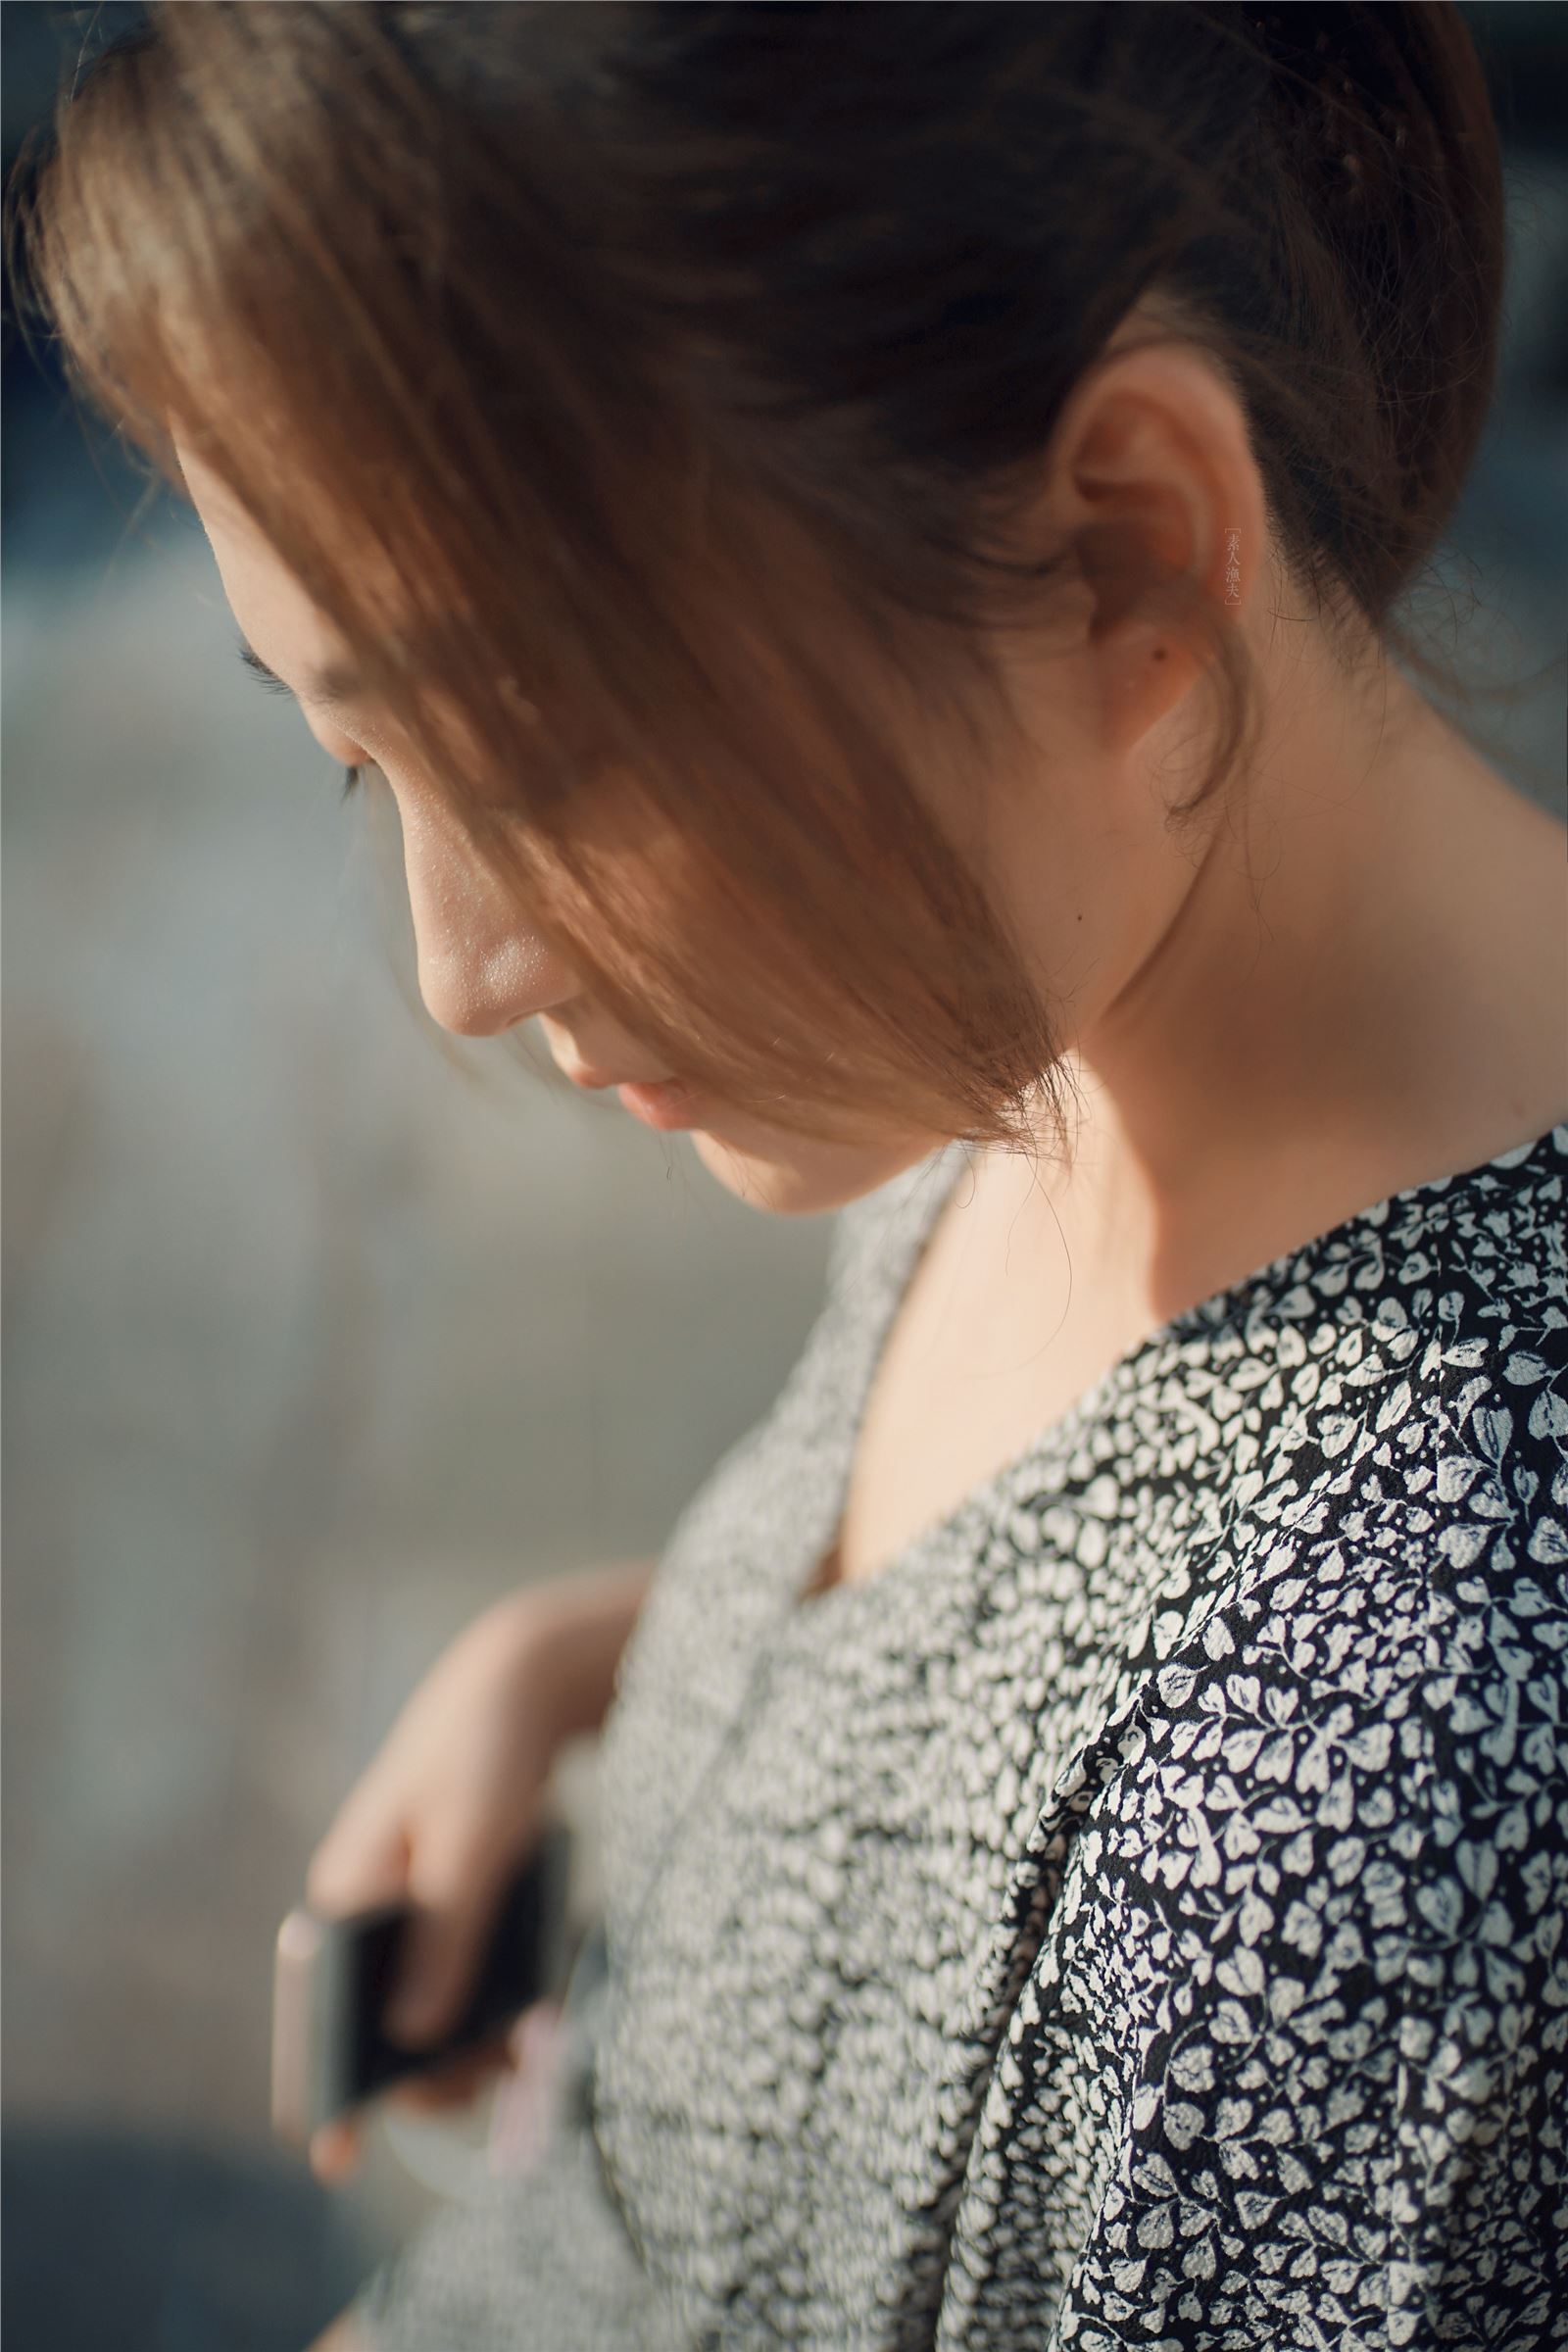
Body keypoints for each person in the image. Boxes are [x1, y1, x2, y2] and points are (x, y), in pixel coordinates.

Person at [13, 3, 1567, 2344]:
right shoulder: (1088, 1025)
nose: (457, 962)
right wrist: (627, 1660)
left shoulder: (1360, 1814)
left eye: (541, 746)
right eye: (363, 760)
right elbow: (1044, 1562)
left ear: (1117, 552)